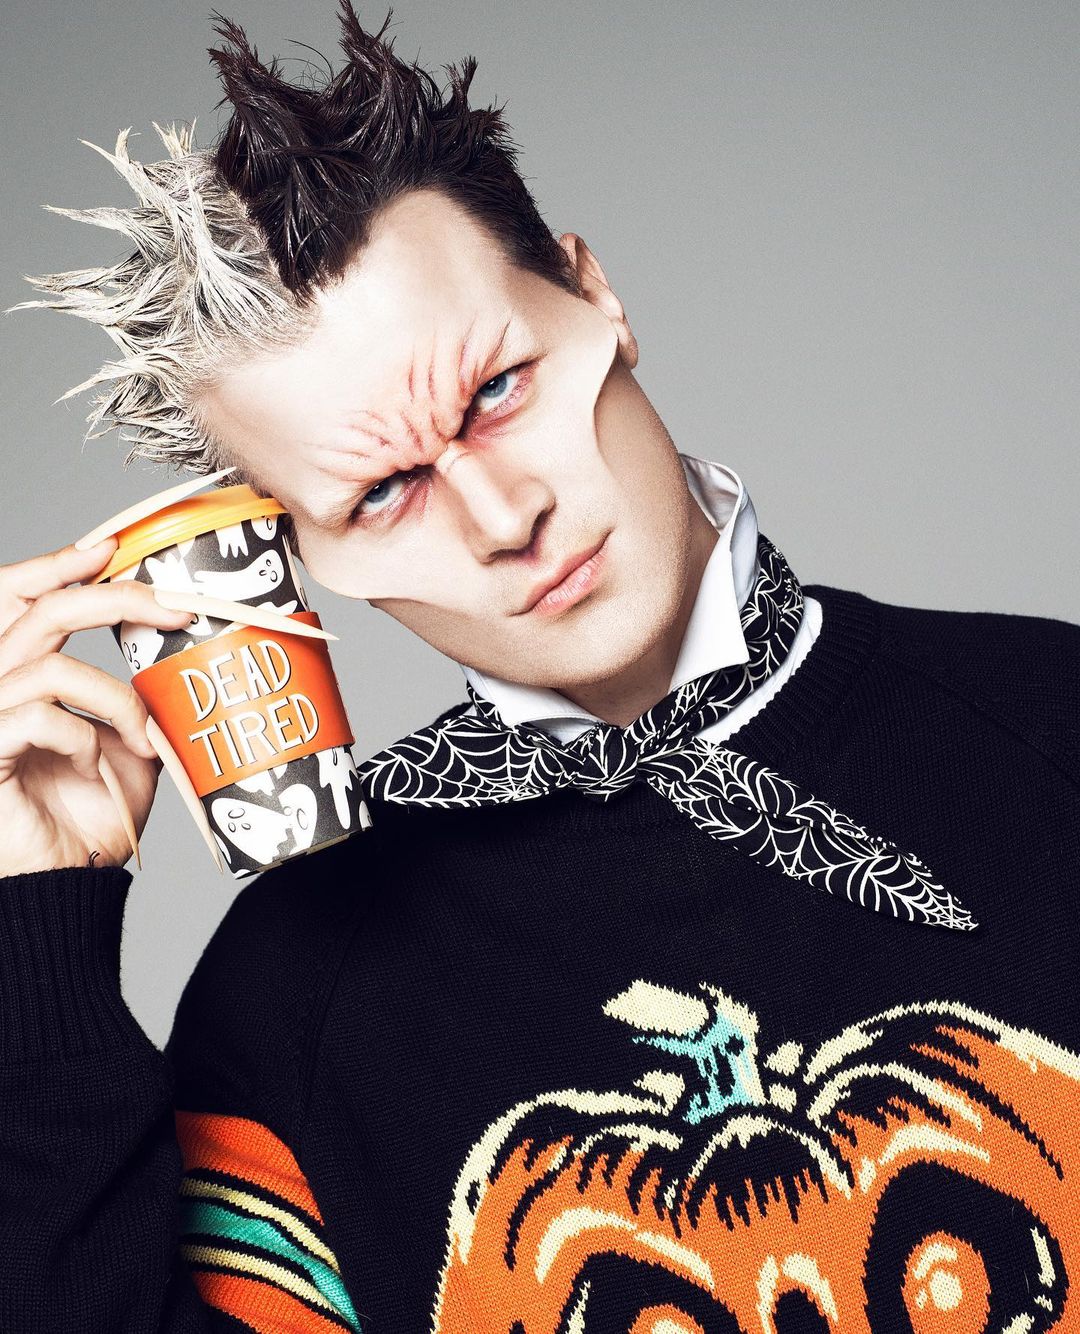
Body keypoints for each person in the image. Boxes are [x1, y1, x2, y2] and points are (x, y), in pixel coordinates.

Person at [1, 3, 1078, 1329]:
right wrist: (36, 941)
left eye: (498, 390)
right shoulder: (294, 998)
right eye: (384, 490)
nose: (504, 517)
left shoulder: (1056, 728)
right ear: (299, 557)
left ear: (593, 294)